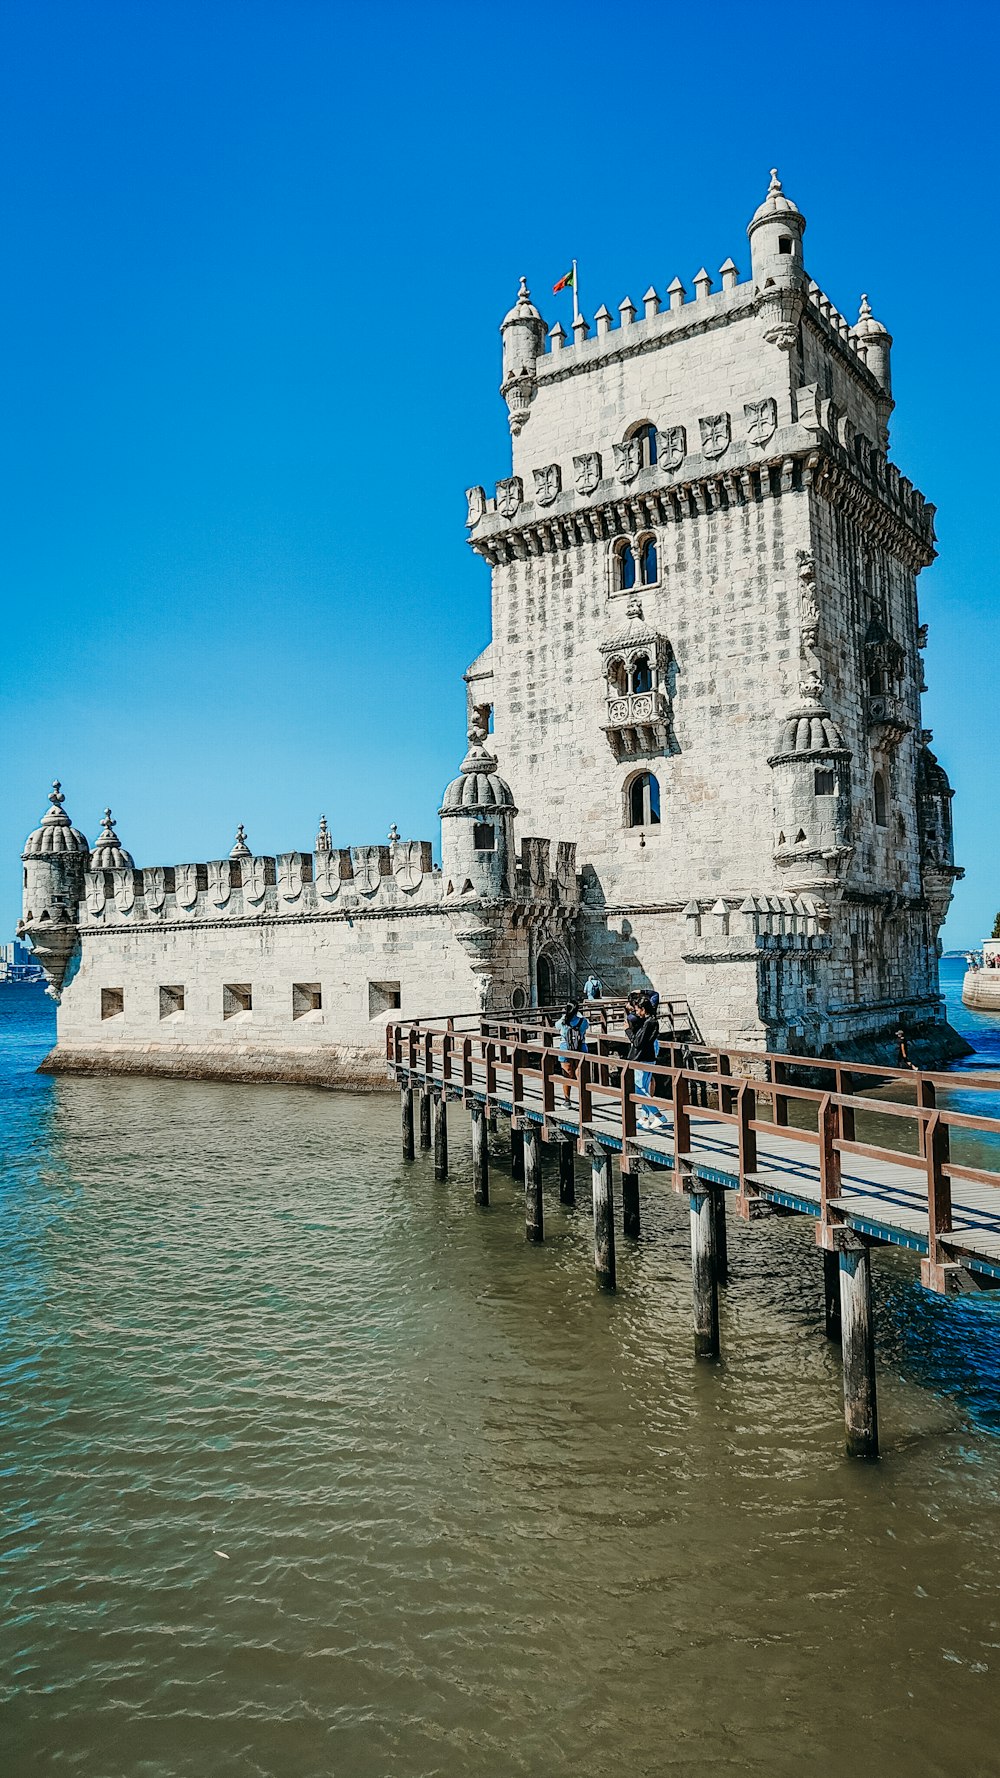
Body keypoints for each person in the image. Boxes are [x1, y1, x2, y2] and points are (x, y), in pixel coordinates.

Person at [627, 994, 661, 1125]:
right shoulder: (650, 1021)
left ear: (643, 1008)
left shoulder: (649, 1023)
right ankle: (645, 1118)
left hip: (643, 1058)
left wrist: (627, 1030)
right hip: (647, 1057)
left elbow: (637, 1042)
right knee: (643, 1088)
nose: (635, 1012)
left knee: (639, 1089)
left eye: (637, 1009)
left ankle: (658, 1115)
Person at [556, 1000, 589, 1104]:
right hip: (581, 1048)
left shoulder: (563, 1022)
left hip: (565, 1048)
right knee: (580, 1074)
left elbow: (556, 1026)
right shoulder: (582, 1021)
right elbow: (586, 1028)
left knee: (567, 1074)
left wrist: (563, 1016)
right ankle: (583, 1100)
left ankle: (567, 1100)